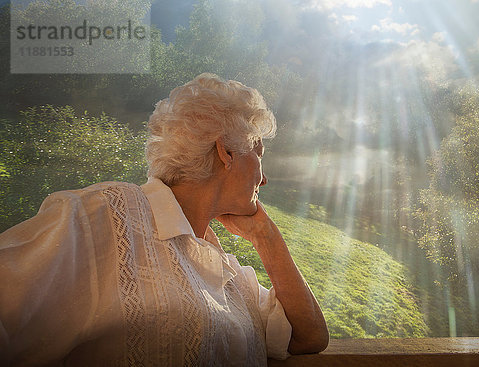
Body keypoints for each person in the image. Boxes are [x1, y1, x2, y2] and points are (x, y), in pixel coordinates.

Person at [0, 73, 329, 366]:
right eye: (258, 153)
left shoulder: (227, 272)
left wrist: (265, 236)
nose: (265, 179)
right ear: (226, 152)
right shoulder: (104, 213)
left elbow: (309, 336)